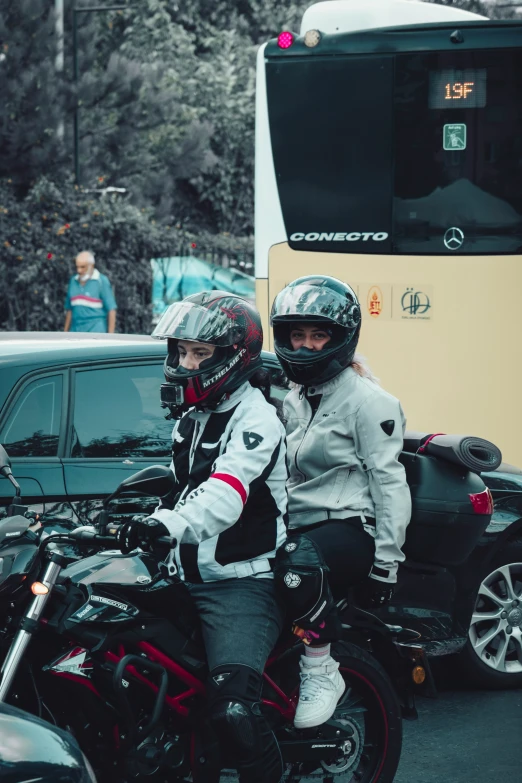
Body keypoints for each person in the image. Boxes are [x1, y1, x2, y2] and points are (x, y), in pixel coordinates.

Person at [130, 291, 288, 783]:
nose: (184, 363)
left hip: (241, 584)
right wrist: (133, 515)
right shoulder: (192, 418)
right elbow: (184, 487)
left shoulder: (256, 418)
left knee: (233, 711)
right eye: (180, 351)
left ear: (233, 358)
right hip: (183, 574)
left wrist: (167, 525)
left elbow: (226, 493)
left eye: (199, 353)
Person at [270, 275, 412, 730]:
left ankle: (321, 669)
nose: (306, 346)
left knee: (298, 563)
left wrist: (386, 564)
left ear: (340, 338)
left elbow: (390, 485)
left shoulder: (370, 402)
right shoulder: (296, 396)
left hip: (350, 527)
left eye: (318, 336)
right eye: (298, 335)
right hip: (299, 523)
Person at [64, 251, 117, 333]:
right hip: (75, 332)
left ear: (91, 266)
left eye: (83, 267)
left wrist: (110, 337)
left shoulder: (101, 281)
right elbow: (69, 310)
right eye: (77, 267)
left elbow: (111, 310)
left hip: (95, 332)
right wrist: (65, 333)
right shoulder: (73, 281)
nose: (79, 270)